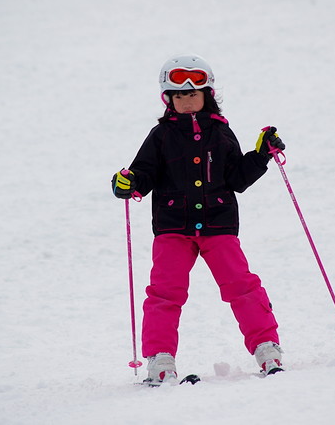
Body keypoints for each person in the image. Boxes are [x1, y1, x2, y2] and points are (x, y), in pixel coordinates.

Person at [112, 54, 286, 384]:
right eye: (179, 96)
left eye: (193, 94)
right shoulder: (160, 136)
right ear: (169, 100)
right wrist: (128, 182)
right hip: (172, 228)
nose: (187, 100)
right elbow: (143, 174)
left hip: (218, 224)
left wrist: (261, 155)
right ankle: (160, 358)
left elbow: (237, 178)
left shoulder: (221, 134)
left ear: (207, 95)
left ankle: (267, 347)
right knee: (165, 292)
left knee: (241, 285)